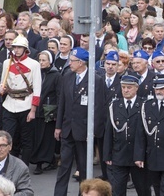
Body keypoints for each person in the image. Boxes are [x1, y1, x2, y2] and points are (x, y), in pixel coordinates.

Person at [54, 47, 106, 196]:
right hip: (67, 128)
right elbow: (62, 103)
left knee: (83, 167)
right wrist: (58, 126)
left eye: (73, 61)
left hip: (84, 132)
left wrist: (94, 131)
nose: (70, 63)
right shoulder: (67, 76)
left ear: (82, 63)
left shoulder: (95, 79)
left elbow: (98, 107)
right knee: (64, 165)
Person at [103, 74, 150, 196]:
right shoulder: (114, 105)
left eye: (129, 87)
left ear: (136, 88)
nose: (125, 90)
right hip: (119, 154)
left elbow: (146, 133)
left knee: (143, 189)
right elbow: (109, 131)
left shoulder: (144, 105)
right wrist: (107, 155)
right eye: (123, 87)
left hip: (138, 155)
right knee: (118, 190)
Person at [0, 34, 42, 164]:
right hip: (9, 104)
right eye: (15, 47)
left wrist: (33, 110)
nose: (16, 50)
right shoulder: (7, 62)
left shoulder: (34, 64)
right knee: (9, 137)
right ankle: (9, 164)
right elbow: (3, 82)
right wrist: (2, 89)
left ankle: (24, 166)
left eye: (19, 47)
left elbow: (37, 89)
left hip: (26, 104)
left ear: (25, 49)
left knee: (26, 139)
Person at [31, 50, 60, 174]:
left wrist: (57, 111)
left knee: (45, 139)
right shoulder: (36, 73)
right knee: (36, 138)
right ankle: (48, 159)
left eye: (44, 60)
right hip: (35, 110)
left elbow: (59, 94)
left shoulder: (56, 75)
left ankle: (40, 162)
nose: (41, 63)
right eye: (40, 60)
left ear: (50, 61)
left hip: (48, 111)